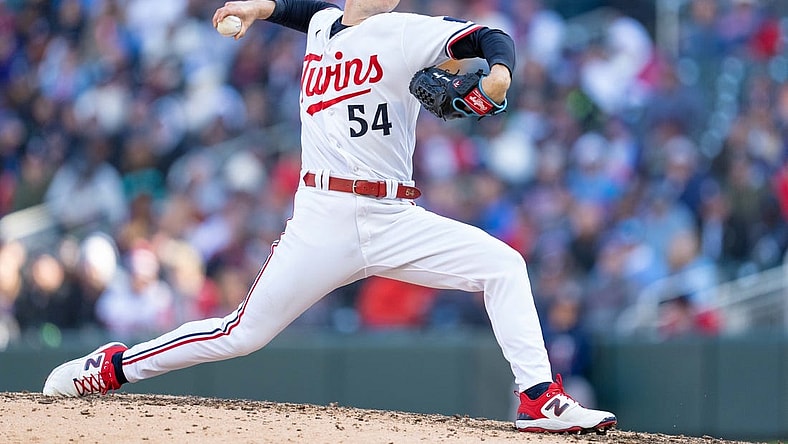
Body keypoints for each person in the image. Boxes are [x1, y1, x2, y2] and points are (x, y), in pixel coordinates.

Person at [42, 0, 617, 434]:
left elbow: (493, 38)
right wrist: (256, 8)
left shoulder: (407, 30)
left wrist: (496, 77)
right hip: (322, 216)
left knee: (504, 266)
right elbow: (301, 10)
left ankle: (538, 398)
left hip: (394, 215)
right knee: (240, 334)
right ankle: (110, 368)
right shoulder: (325, 25)